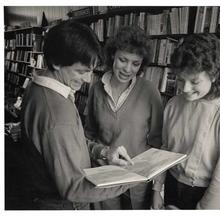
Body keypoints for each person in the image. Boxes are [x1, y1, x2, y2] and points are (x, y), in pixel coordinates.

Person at [20, 20, 135, 210]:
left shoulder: (36, 87)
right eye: (81, 71)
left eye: (91, 71)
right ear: (57, 62)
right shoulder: (57, 114)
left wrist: (104, 152)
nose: (89, 79)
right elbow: (73, 189)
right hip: (64, 205)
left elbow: (69, 142)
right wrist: (132, 179)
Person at [152, 34, 220, 209]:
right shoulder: (173, 104)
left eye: (194, 81)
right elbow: (164, 150)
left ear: (213, 75)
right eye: (181, 79)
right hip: (171, 185)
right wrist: (157, 189)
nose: (186, 89)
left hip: (203, 195)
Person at [84, 26, 163, 209]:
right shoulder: (96, 88)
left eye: (135, 63)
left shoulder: (150, 92)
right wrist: (103, 154)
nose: (128, 69)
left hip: (137, 181)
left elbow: (158, 143)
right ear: (112, 55)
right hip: (105, 175)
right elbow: (89, 134)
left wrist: (157, 188)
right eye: (123, 60)